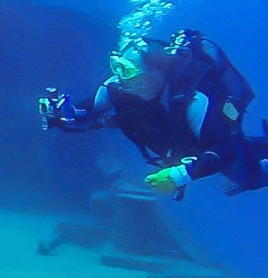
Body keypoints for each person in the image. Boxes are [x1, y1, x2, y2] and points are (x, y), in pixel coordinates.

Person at [39, 29, 268, 197]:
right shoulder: (117, 87)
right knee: (244, 156)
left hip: (203, 146)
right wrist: (61, 114)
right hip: (177, 146)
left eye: (129, 70)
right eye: (117, 67)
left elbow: (224, 147)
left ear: (157, 71)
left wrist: (181, 174)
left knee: (247, 178)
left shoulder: (192, 102)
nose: (122, 79)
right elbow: (88, 113)